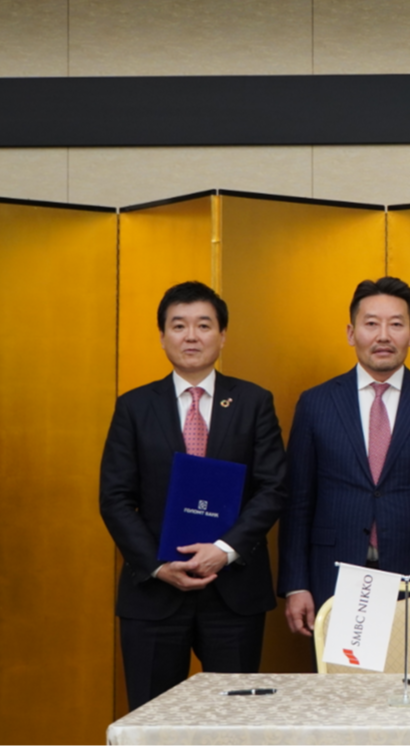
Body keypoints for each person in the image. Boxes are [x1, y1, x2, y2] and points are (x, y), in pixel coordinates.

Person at [99, 281, 287, 710]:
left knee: (235, 719)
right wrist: (158, 564)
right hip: (153, 593)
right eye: (179, 325)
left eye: (203, 325)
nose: (191, 336)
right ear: (162, 335)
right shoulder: (134, 407)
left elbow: (274, 487)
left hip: (233, 591)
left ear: (222, 335)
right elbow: (115, 497)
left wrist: (224, 550)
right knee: (153, 719)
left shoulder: (254, 402)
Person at [277, 276, 410, 637]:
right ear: (351, 333)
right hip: (334, 574)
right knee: (340, 675)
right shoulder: (316, 403)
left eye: (396, 324)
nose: (383, 336)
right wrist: (295, 584)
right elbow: (298, 503)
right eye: (371, 324)